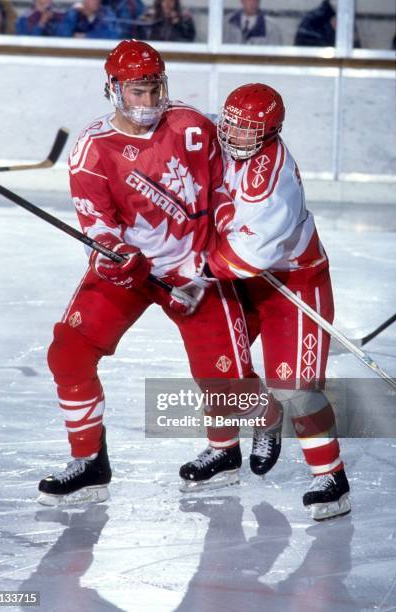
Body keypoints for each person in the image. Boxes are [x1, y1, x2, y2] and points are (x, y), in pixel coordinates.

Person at [37, 39, 266, 506]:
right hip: (133, 270)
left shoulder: (194, 127)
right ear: (114, 90)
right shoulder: (91, 150)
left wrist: (226, 254)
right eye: (136, 92)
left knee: (226, 374)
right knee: (69, 352)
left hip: (195, 266)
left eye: (153, 89)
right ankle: (89, 461)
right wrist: (118, 255)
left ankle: (226, 450)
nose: (146, 103)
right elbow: (97, 225)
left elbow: (234, 186)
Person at [206, 83, 351, 521]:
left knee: (297, 389)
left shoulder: (274, 185)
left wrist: (191, 258)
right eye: (229, 123)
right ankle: (223, 451)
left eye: (247, 130)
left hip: (294, 283)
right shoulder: (221, 146)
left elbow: (243, 258)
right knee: (217, 357)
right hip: (246, 277)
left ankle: (331, 477)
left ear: (270, 132)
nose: (233, 135)